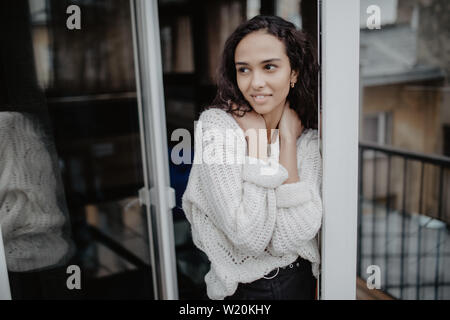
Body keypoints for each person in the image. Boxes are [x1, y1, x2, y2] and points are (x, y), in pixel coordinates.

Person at [182, 15, 322, 300]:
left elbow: (292, 234)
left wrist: (287, 143)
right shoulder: (216, 128)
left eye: (269, 67)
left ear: (293, 73)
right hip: (248, 290)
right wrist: (257, 143)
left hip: (302, 280)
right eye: (244, 70)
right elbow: (248, 237)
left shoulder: (306, 138)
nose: (255, 82)